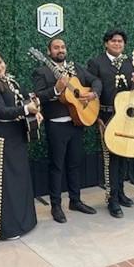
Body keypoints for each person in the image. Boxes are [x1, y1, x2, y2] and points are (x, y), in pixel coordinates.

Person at [32, 38, 101, 223]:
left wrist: (93, 93)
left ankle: (75, 200)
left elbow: (95, 80)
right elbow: (39, 97)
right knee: (57, 166)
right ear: (48, 52)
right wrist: (56, 89)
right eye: (56, 47)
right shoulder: (42, 71)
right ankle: (56, 205)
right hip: (56, 125)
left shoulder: (75, 68)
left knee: (75, 163)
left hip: (76, 123)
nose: (60, 50)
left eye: (62, 47)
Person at [0, 51, 39, 239]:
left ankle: (22, 222)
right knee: (3, 184)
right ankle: (3, 229)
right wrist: (26, 109)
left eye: (0, 62)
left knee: (18, 182)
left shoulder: (11, 81)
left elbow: (27, 98)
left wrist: (35, 111)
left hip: (15, 137)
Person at [87, 29, 134, 218]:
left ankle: (121, 193)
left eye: (120, 41)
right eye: (113, 41)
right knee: (109, 159)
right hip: (106, 116)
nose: (117, 44)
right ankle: (112, 200)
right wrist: (97, 118)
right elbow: (92, 90)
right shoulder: (96, 63)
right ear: (106, 43)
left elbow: (133, 93)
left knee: (124, 156)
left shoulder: (130, 63)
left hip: (125, 118)